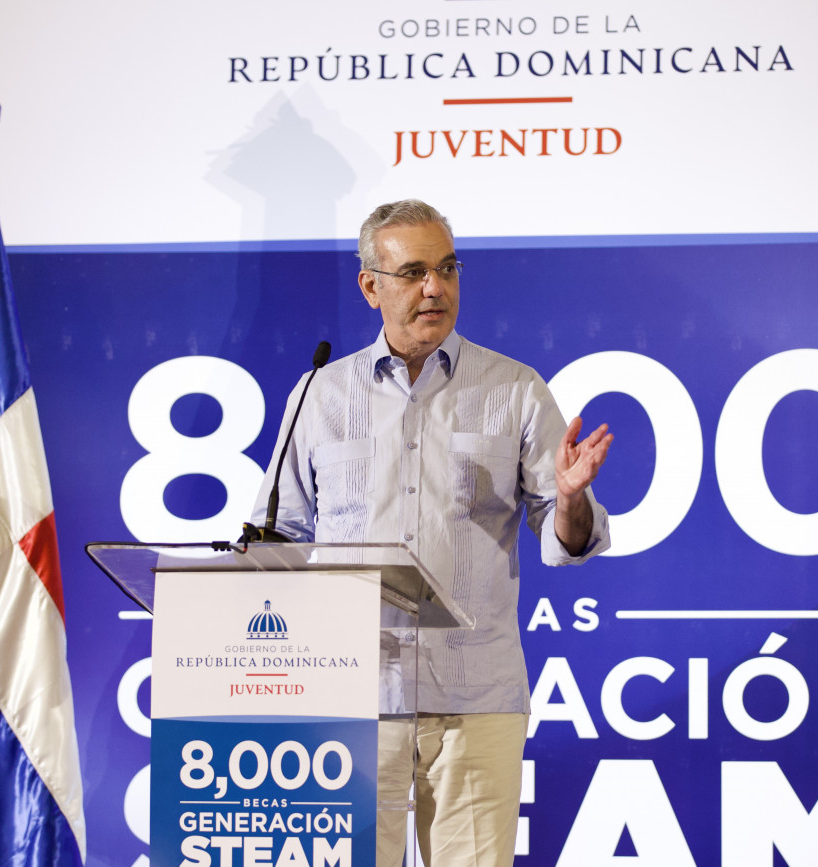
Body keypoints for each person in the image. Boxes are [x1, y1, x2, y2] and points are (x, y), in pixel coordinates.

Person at [252, 199, 613, 867]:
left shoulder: (514, 389)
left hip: (476, 701)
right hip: (350, 701)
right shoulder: (319, 395)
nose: (435, 288)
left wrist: (569, 497)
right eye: (414, 272)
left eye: (447, 269)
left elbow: (567, 541)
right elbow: (280, 540)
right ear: (371, 286)